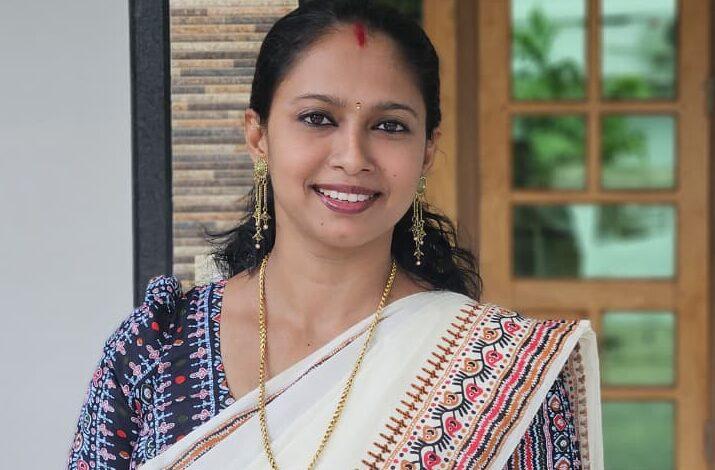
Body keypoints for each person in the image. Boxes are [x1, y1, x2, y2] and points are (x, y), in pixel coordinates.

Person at [66, 1, 603, 469]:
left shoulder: (498, 372)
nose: (352, 157)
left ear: (427, 151)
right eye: (318, 118)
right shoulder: (154, 351)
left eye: (389, 125)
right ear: (258, 135)